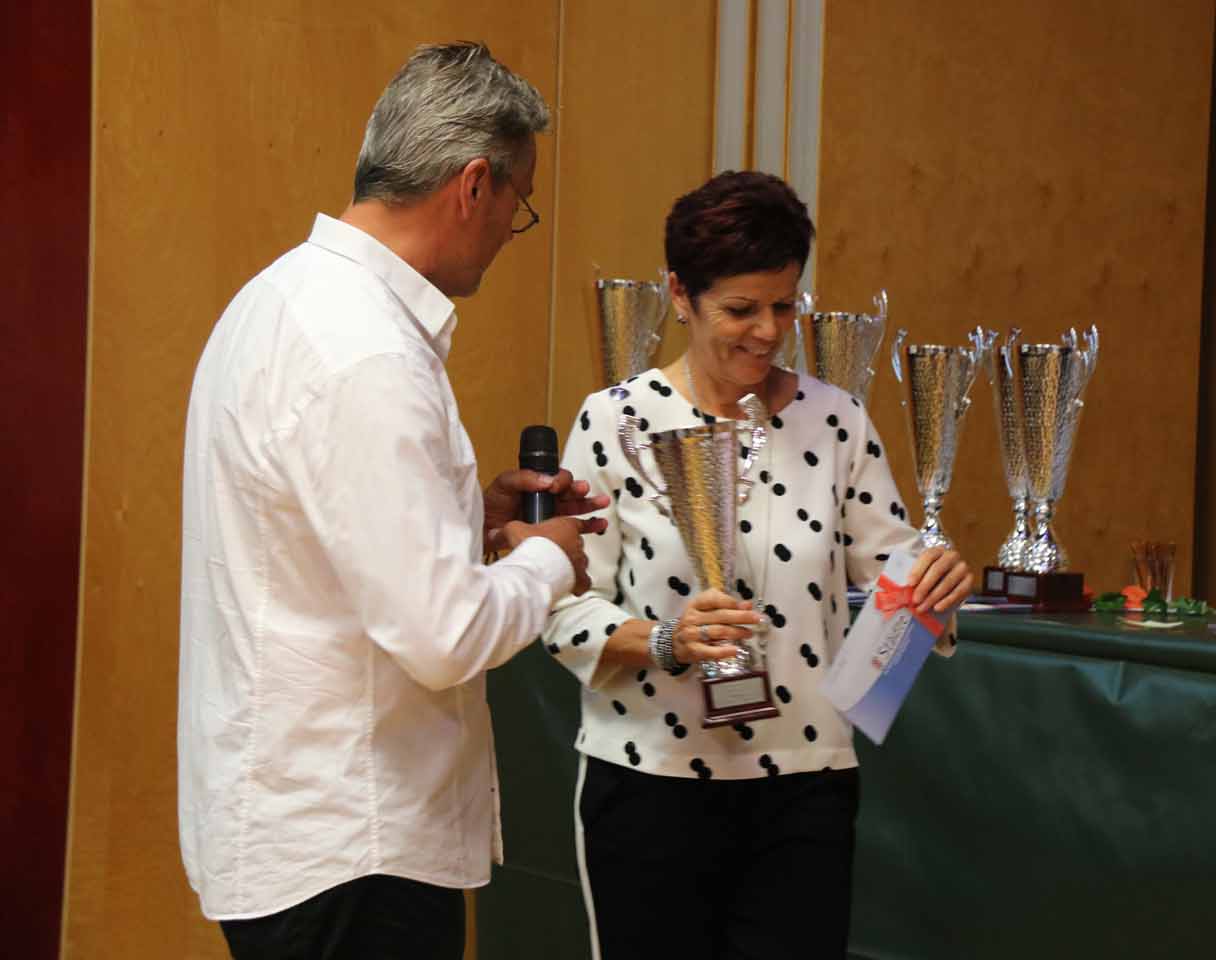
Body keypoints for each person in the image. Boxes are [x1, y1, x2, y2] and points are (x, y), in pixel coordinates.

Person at [177, 42, 608, 960]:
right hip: (354, 842)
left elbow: (318, 543)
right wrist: (549, 558)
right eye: (521, 204)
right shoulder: (368, 351)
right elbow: (443, 635)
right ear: (475, 185)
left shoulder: (280, 298)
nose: (513, 230)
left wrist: (470, 523)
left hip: (301, 823)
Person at [542, 170, 975, 958]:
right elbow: (564, 607)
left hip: (805, 786)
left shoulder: (837, 420)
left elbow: (896, 572)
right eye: (741, 309)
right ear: (680, 293)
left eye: (784, 305)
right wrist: (665, 640)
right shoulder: (614, 420)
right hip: (649, 781)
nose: (768, 331)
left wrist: (935, 588)